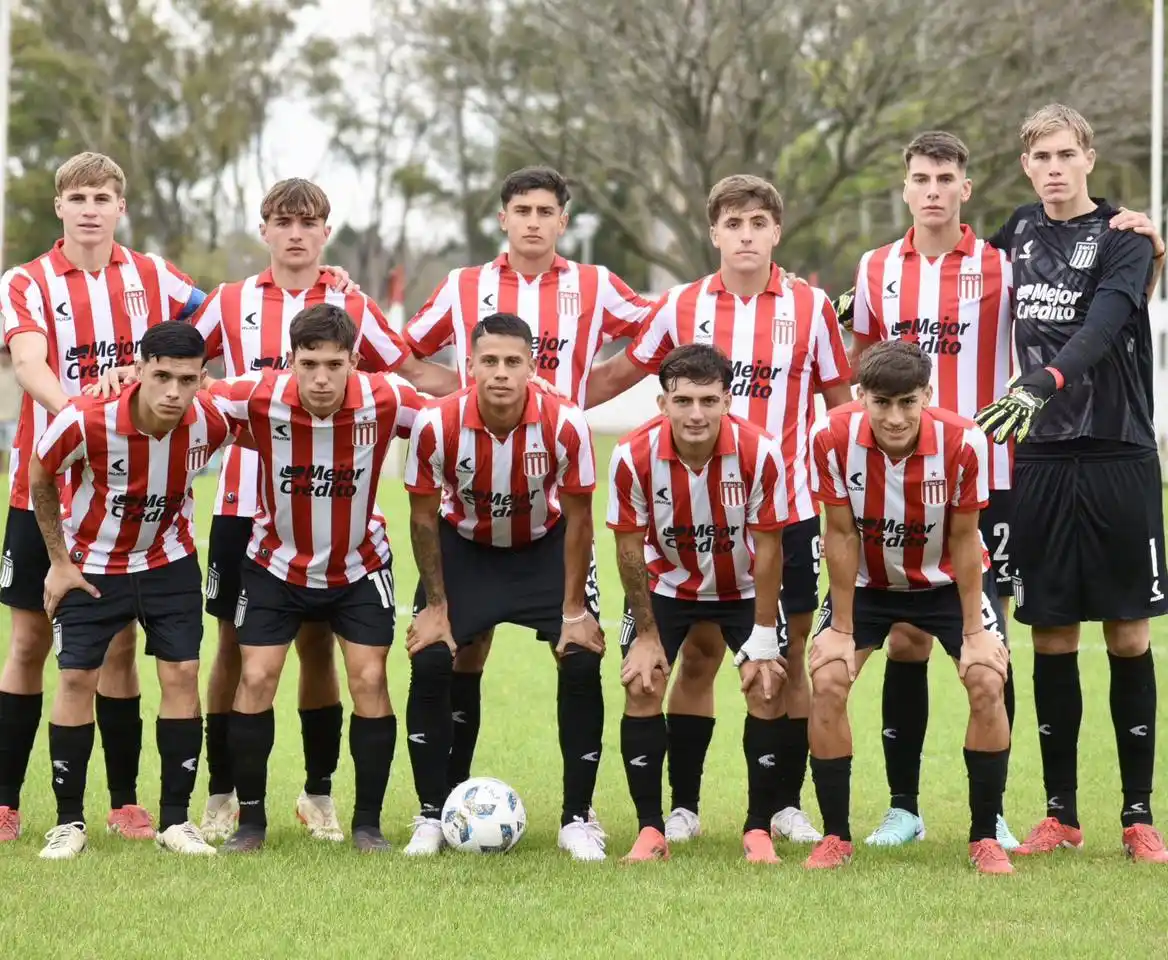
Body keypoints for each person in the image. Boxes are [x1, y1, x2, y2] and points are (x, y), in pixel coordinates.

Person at [182, 178, 458, 843]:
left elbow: (408, 371)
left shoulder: (352, 305)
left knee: (323, 654)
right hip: (250, 508)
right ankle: (225, 795)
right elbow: (184, 372)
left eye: (309, 222)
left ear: (326, 231)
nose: (297, 233)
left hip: (343, 514)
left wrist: (495, 393)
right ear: (265, 230)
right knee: (237, 652)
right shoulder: (231, 300)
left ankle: (320, 794)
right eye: (284, 221)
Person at [586, 174, 853, 844]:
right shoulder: (681, 305)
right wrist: (546, 400)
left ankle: (784, 805)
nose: (745, 235)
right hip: (687, 510)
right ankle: (683, 806)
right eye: (732, 223)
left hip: (782, 511)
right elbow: (623, 373)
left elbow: (840, 403)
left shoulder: (812, 308)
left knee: (783, 658)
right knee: (699, 657)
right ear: (714, 233)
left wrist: (859, 485)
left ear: (776, 232)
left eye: (757, 223)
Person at [403, 165, 651, 801]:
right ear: (503, 219)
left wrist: (584, 395)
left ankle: (579, 817)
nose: (534, 222)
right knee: (459, 652)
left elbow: (658, 335)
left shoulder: (595, 284)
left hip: (550, 488)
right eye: (523, 211)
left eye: (546, 211)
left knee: (577, 648)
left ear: (563, 220)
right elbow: (407, 353)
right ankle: (444, 807)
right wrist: (459, 395)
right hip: (473, 492)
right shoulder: (464, 286)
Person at [975, 104, 1168, 862]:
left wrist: (1043, 379)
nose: (1054, 168)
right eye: (1040, 157)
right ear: (1026, 165)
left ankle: (1138, 814)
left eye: (1066, 154)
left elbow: (1107, 320)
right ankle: (1060, 815)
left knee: (1126, 633)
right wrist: (863, 300)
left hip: (1119, 451)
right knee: (1051, 633)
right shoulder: (1018, 231)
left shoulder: (1124, 237)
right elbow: (952, 278)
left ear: (1088, 157)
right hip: (1044, 458)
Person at [0, 152, 205, 843]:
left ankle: (123, 803)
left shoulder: (154, 276)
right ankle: (5, 800)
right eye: (78, 196)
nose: (91, 208)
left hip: (133, 495)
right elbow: (29, 363)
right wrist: (84, 418)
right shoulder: (27, 280)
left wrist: (327, 286)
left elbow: (219, 321)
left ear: (121, 206)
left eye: (103, 196)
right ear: (60, 206)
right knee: (29, 641)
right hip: (48, 493)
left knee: (119, 647)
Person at [845, 131, 1020, 849]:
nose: (934, 190)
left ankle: (995, 809)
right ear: (906, 187)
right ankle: (904, 808)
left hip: (989, 473)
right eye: (921, 177)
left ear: (966, 189)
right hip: (894, 475)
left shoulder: (1002, 266)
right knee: (908, 642)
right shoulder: (876, 265)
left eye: (946, 177)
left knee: (990, 641)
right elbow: (864, 363)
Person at [204, 303, 422, 854]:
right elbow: (184, 396)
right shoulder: (256, 395)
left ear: (354, 360)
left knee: (370, 678)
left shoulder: (386, 397)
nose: (321, 378)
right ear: (290, 361)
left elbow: (451, 419)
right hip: (276, 563)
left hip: (359, 564)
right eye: (309, 364)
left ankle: (367, 825)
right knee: (256, 676)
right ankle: (252, 824)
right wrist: (123, 382)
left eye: (334, 364)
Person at [402, 312, 605, 860]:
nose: (500, 373)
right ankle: (432, 811)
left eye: (512, 362)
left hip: (545, 546)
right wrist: (437, 606)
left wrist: (572, 610)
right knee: (432, 658)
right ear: (469, 366)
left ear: (531, 367)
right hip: (464, 547)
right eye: (488, 361)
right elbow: (423, 519)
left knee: (582, 657)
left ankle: (578, 819)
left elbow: (581, 519)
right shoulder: (436, 423)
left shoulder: (566, 423)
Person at [805, 340, 1012, 874]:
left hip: (946, 580)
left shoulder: (964, 440)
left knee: (988, 678)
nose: (894, 418)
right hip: (869, 582)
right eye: (881, 403)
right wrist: (842, 630)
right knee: (827, 678)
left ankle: (985, 836)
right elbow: (841, 533)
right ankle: (836, 838)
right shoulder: (829, 436)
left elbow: (967, 540)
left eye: (907, 403)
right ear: (861, 397)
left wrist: (974, 632)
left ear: (928, 395)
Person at [29, 323, 234, 859]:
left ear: (202, 380)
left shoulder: (211, 421)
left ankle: (174, 821)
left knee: (183, 673)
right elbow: (40, 475)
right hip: (92, 564)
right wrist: (58, 561)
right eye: (161, 375)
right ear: (137, 370)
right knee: (75, 677)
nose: (172, 391)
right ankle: (68, 823)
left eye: (186, 379)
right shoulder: (87, 419)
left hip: (170, 563)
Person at [609, 343, 790, 863]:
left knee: (766, 684)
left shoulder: (760, 452)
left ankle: (758, 829)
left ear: (727, 400)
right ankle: (653, 827)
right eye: (682, 399)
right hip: (667, 585)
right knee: (642, 682)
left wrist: (761, 635)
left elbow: (772, 545)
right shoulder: (633, 455)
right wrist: (645, 636)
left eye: (708, 400)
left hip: (745, 588)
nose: (695, 413)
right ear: (662, 402)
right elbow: (627, 546)